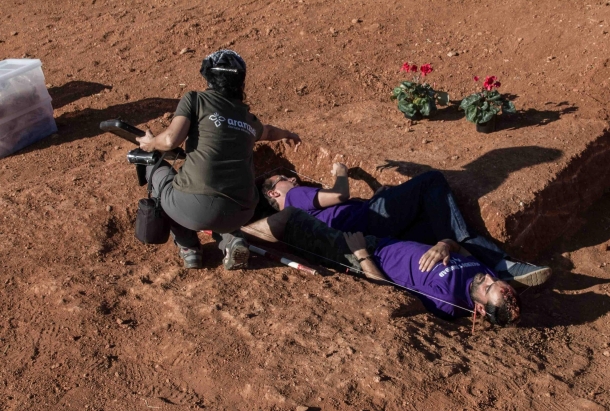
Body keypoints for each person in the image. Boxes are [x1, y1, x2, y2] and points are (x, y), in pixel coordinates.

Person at [135, 49, 300, 270]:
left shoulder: (195, 99)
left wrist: (150, 143)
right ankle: (232, 240)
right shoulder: (247, 117)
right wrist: (288, 133)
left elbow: (170, 141)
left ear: (208, 77)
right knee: (218, 205)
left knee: (155, 170)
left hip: (193, 208)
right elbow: (269, 132)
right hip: (242, 211)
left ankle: (189, 248)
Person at [262, 166, 550, 287]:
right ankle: (502, 265)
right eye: (284, 178)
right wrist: (341, 172)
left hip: (377, 241)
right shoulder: (293, 198)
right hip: (371, 220)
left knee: (436, 222)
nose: (294, 179)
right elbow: (340, 195)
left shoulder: (295, 220)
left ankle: (489, 276)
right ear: (274, 193)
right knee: (432, 181)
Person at [241, 207, 521, 325]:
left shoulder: (447, 301)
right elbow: (457, 245)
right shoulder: (487, 276)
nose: (485, 278)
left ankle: (233, 236)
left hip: (359, 253)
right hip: (384, 240)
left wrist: (361, 254)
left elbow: (390, 294)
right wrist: (445, 245)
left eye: (487, 287)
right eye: (494, 281)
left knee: (291, 217)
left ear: (481, 309)